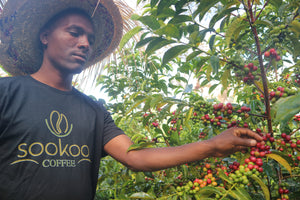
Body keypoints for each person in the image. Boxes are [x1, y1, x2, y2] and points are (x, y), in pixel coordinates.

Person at [0, 0, 262, 199]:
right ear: (45, 37)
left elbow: (137, 158)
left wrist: (213, 146)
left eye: (89, 38)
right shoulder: (7, 92)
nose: (84, 43)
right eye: (74, 32)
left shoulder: (93, 110)